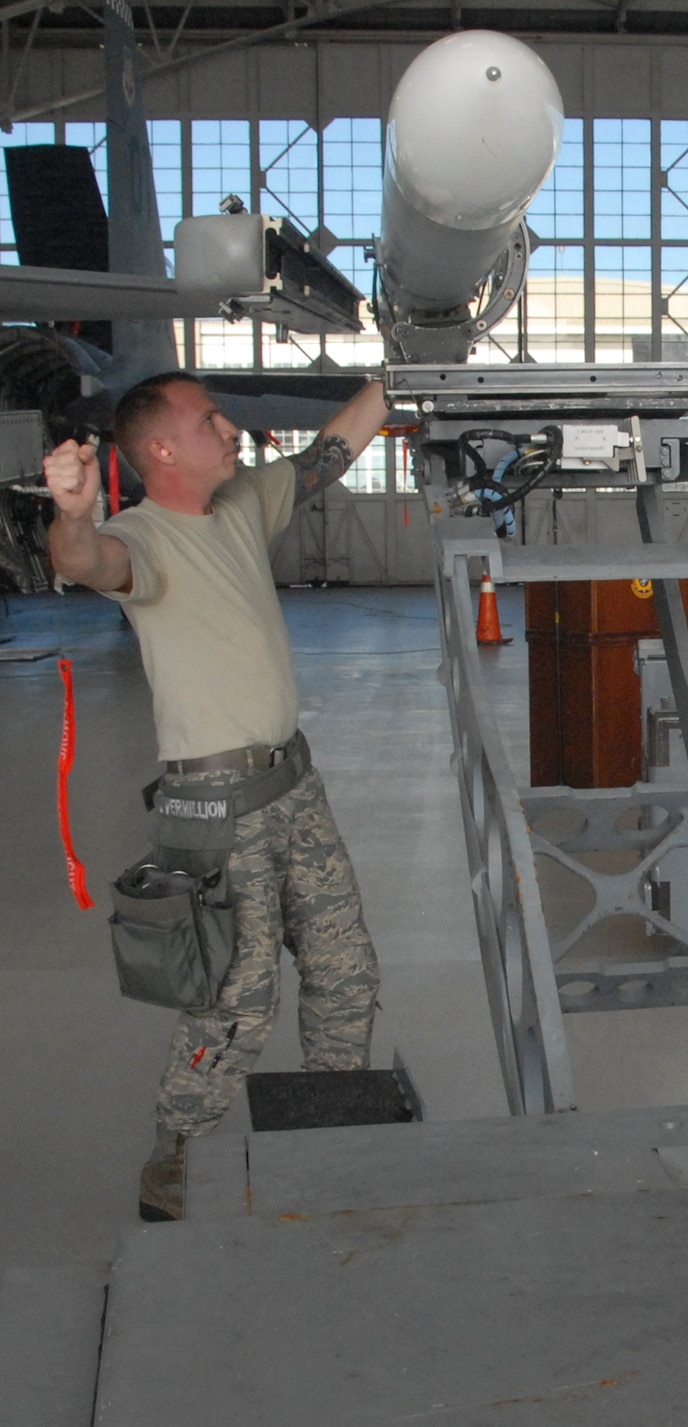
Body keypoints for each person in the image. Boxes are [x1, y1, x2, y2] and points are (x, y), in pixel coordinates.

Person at [44, 371, 390, 1222]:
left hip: (294, 783)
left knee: (346, 971)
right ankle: (175, 1158)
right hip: (216, 809)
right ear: (162, 449)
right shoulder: (140, 538)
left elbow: (326, 458)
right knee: (239, 1003)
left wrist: (393, 379)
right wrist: (74, 514)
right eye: (210, 419)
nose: (231, 427)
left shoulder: (240, 503)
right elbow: (84, 560)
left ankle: (331, 1131)